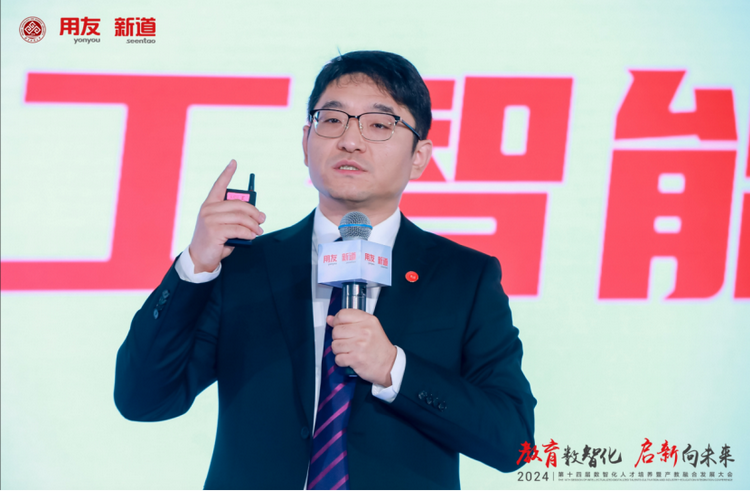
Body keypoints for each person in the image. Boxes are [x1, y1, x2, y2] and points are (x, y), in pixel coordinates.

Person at [115, 50, 536, 489]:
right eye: (332, 120)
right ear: (306, 142)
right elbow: (142, 399)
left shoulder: (464, 278)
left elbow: (514, 441)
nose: (350, 141)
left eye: (379, 125)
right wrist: (196, 266)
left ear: (419, 156)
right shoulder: (244, 267)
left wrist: (394, 368)